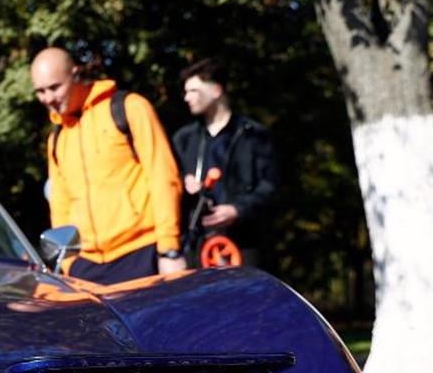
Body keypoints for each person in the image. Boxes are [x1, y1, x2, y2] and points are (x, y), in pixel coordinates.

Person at [30, 47, 186, 284]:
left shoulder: (129, 108)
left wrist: (169, 249)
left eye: (54, 87)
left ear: (76, 74)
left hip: (142, 254)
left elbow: (163, 176)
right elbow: (60, 205)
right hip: (86, 268)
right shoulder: (57, 138)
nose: (48, 98)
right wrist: (70, 263)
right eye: (40, 91)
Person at [171, 58, 278, 269]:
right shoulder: (183, 139)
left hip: (245, 245)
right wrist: (184, 181)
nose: (187, 98)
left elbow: (269, 187)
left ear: (216, 90)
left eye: (193, 90)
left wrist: (238, 210)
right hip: (198, 247)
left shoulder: (254, 135)